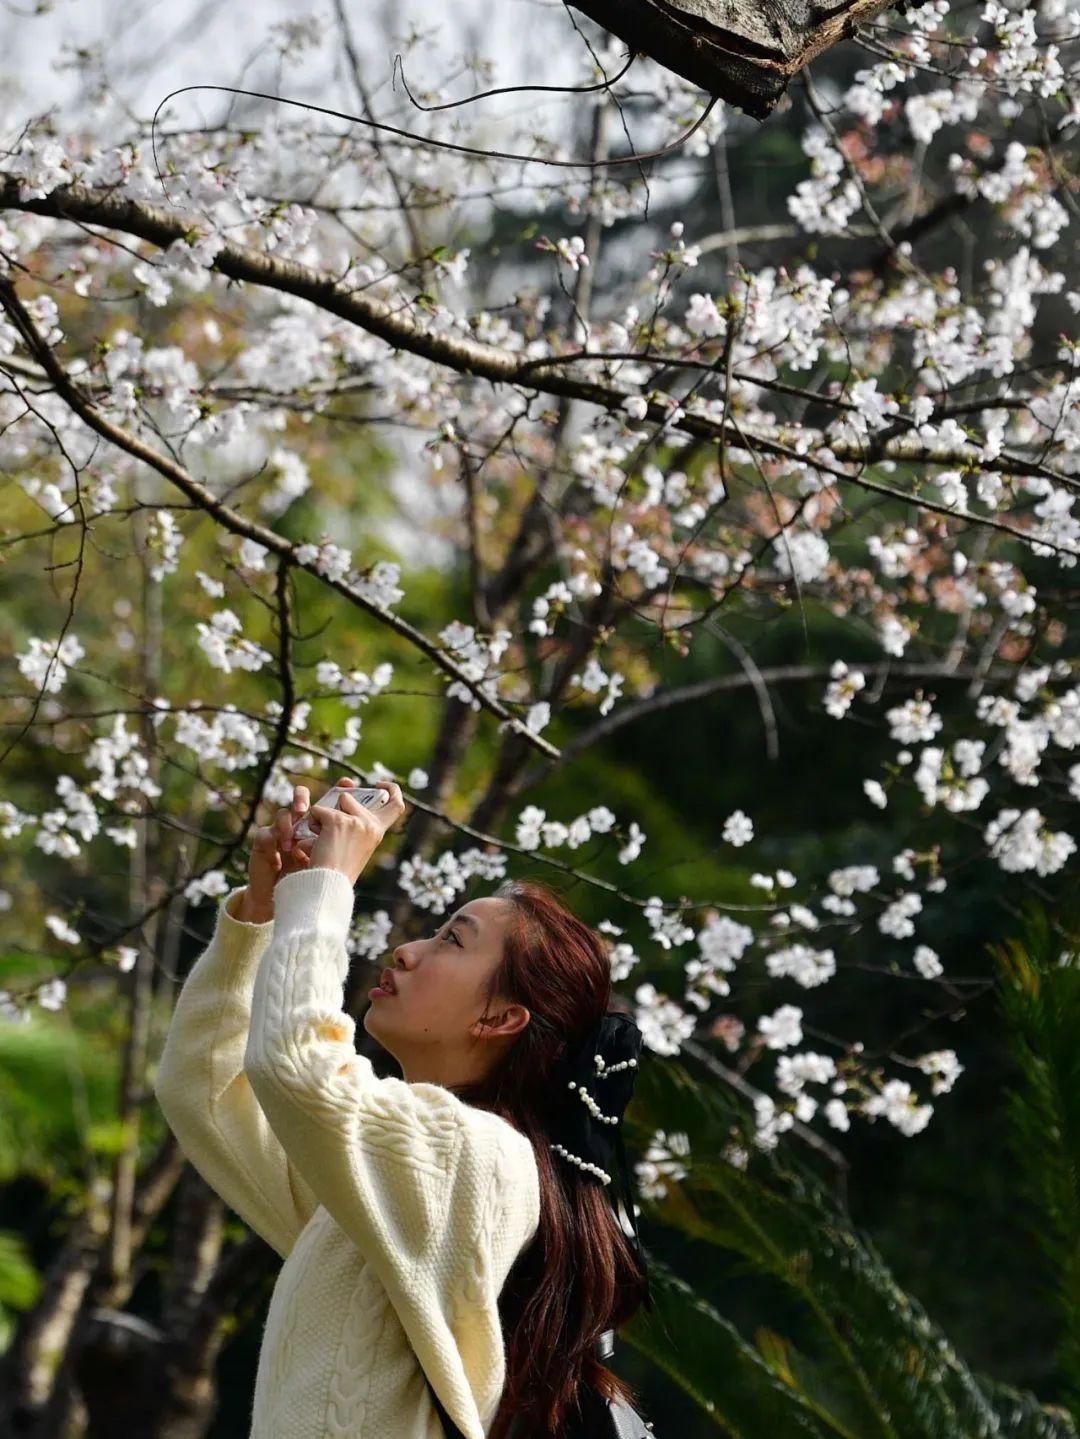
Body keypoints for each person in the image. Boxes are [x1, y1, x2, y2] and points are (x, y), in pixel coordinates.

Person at [154, 777, 649, 1439]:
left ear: (502, 1017)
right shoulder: (386, 1185)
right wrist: (260, 914)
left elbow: (297, 1065)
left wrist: (328, 885)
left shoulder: (482, 1159)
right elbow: (204, 1091)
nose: (406, 950)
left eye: (452, 940)